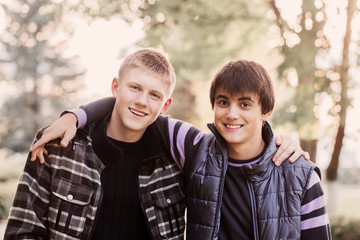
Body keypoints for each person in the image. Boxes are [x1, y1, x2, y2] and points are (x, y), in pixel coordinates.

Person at [9, 55, 310, 240]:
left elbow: (237, 142)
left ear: (165, 105)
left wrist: (281, 147)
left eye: (154, 95)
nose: (142, 101)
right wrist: (76, 115)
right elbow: (22, 230)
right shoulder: (59, 144)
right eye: (134, 88)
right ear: (115, 87)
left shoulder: (178, 152)